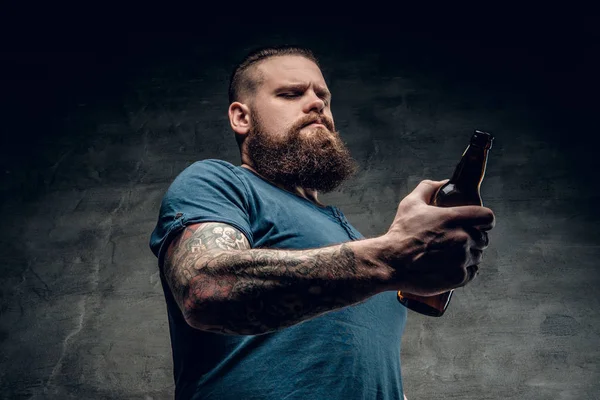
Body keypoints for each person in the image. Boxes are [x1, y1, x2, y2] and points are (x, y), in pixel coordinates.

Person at [149, 45, 495, 400]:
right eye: (291, 93)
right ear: (242, 117)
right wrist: (389, 258)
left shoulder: (360, 243)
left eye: (323, 98)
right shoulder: (219, 183)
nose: (317, 104)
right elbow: (205, 288)